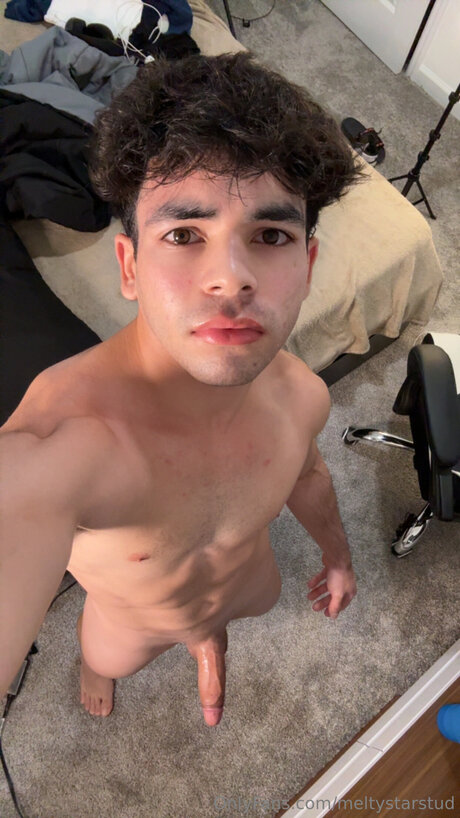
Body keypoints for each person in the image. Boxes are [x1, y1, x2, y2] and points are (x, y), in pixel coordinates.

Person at [0, 50, 362, 726]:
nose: (231, 278)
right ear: (129, 266)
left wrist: (338, 556)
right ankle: (101, 666)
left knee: (229, 614)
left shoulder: (303, 396)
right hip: (131, 627)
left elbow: (308, 475)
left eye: (271, 234)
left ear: (308, 264)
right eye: (185, 233)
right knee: (106, 659)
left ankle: (208, 639)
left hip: (246, 588)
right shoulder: (57, 446)